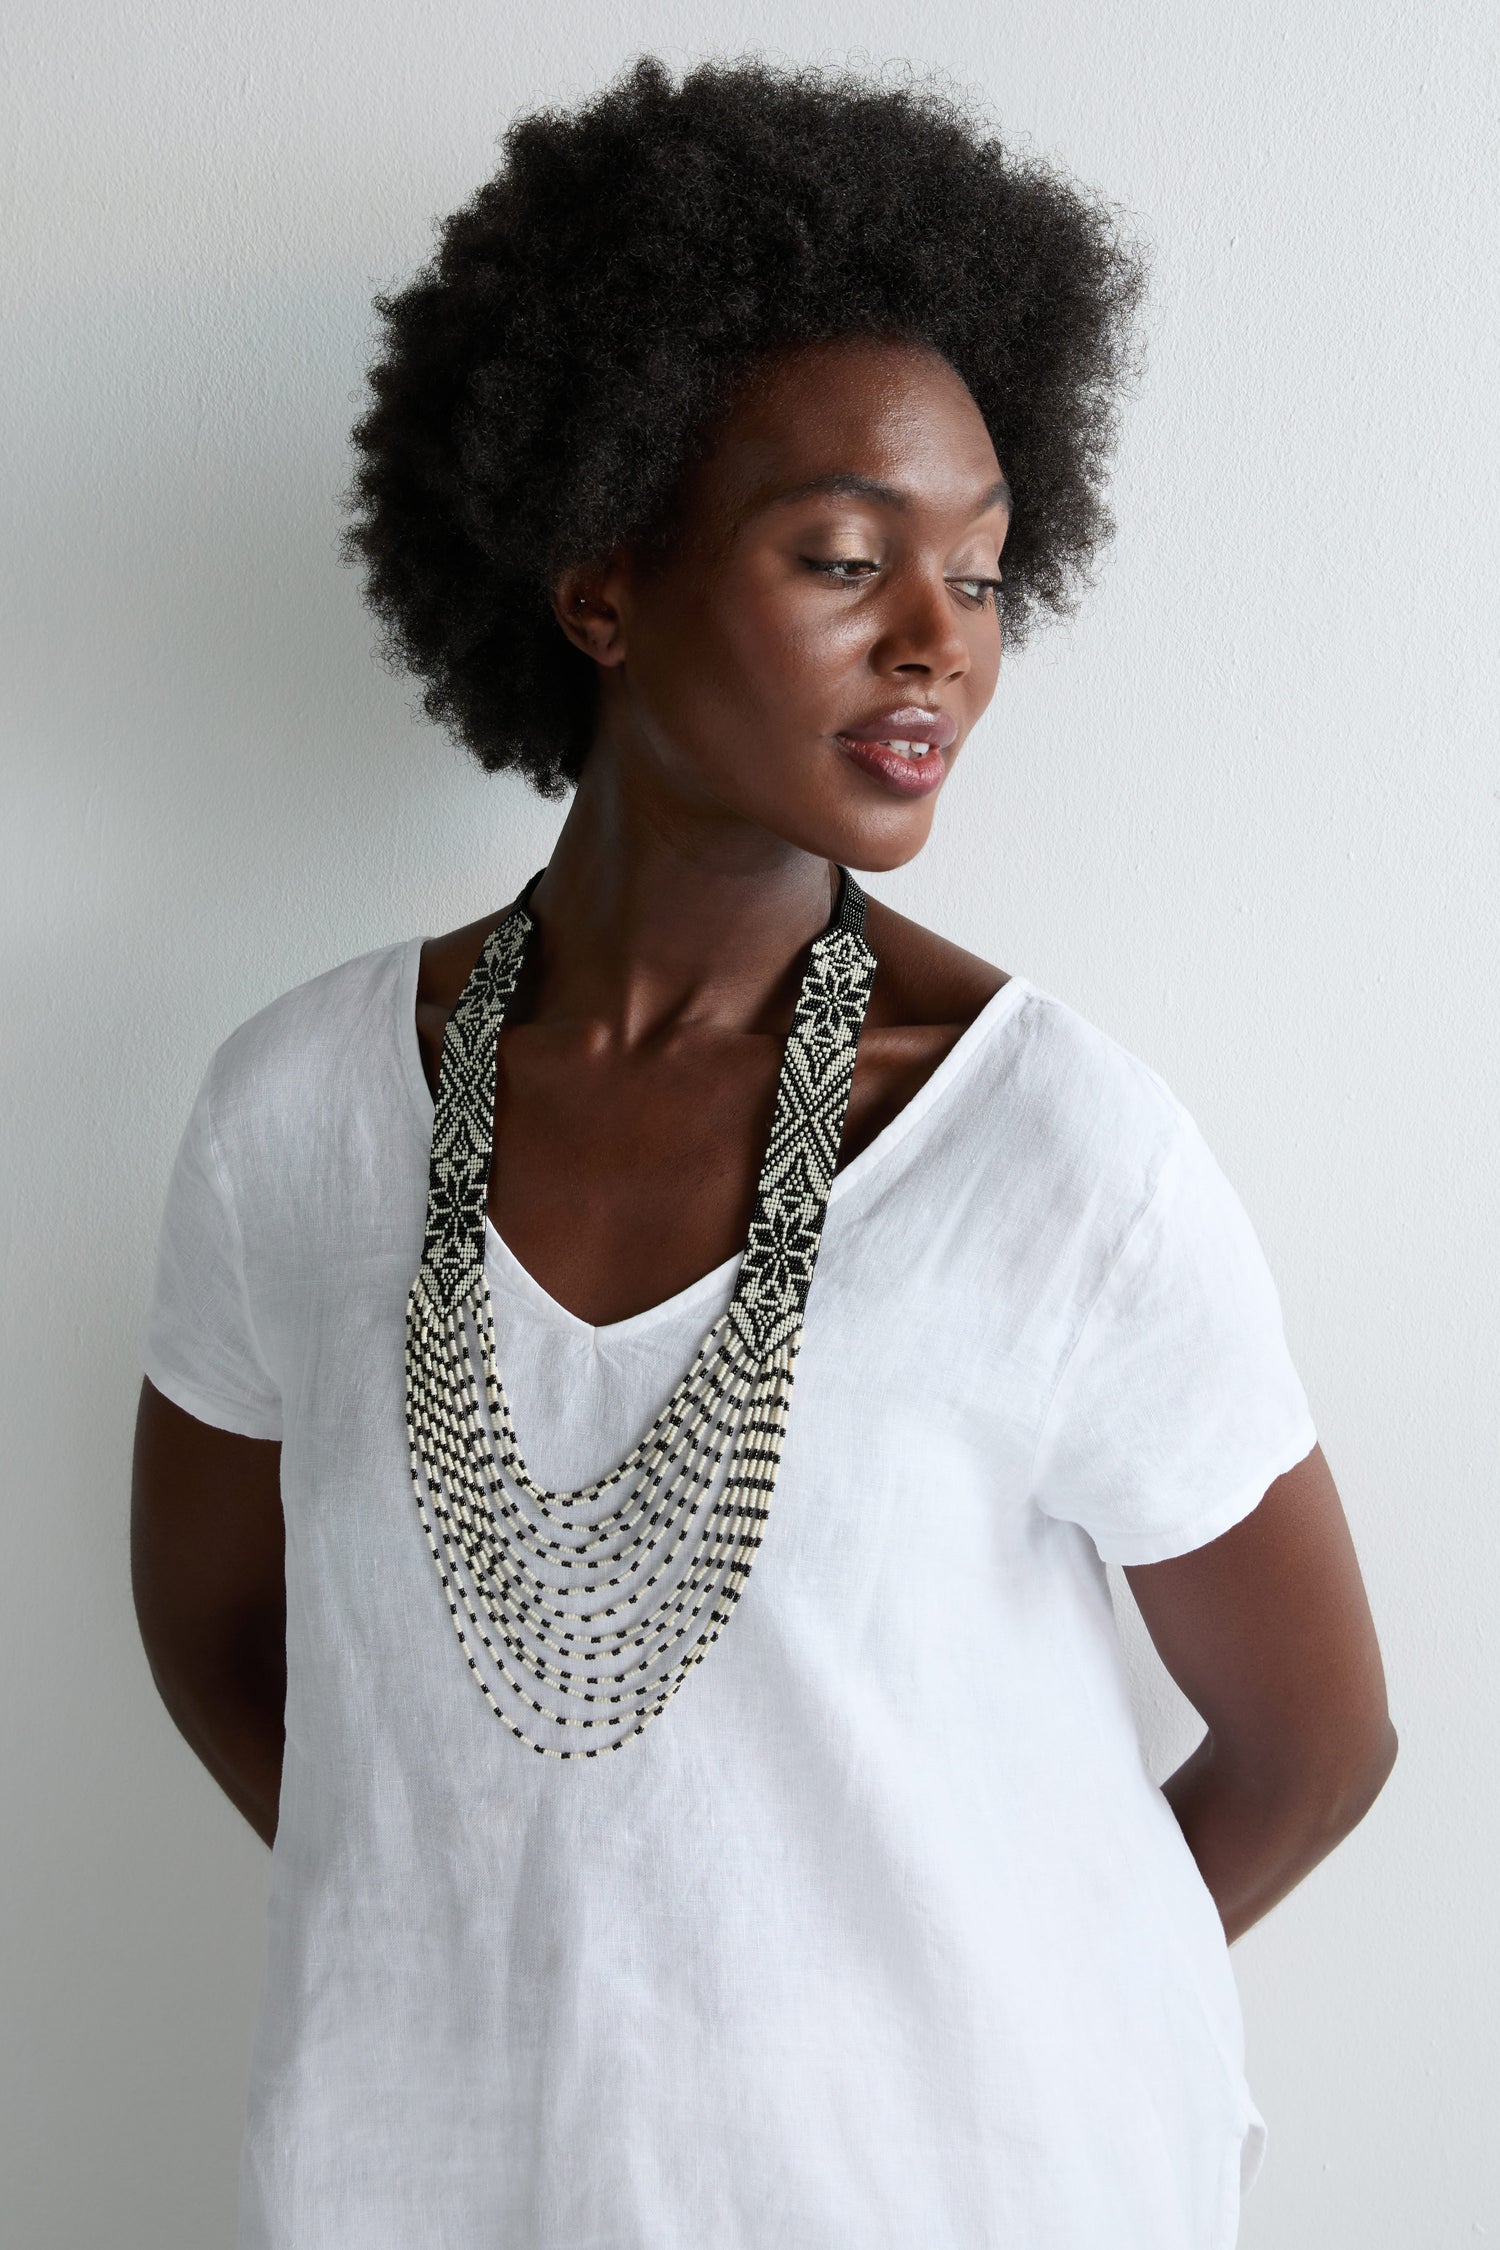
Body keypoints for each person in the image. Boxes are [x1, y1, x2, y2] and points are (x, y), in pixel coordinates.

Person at [131, 53, 1397, 2250]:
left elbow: (1317, 1745)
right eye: (844, 556)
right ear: (600, 582)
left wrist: (941, 2026)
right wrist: (515, 1946)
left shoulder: (1055, 1155)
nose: (942, 644)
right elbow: (223, 1639)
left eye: (987, 576)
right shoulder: (299, 1124)